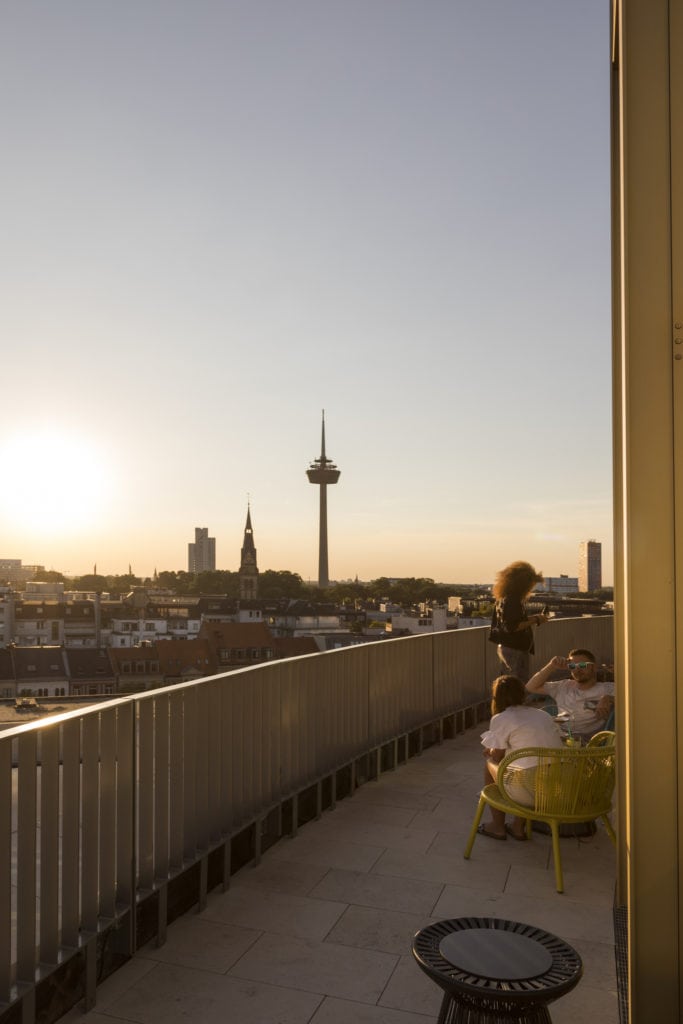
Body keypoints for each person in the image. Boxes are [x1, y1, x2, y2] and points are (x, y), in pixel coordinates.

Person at [477, 674, 563, 840]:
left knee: (490, 765)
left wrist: (491, 752)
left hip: (528, 791)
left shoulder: (502, 718)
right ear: (523, 694)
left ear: (496, 698)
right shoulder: (542, 715)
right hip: (555, 790)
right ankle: (517, 827)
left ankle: (497, 826)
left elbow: (497, 756)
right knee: (533, 767)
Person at [525, 649, 615, 741]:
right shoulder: (563, 686)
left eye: (582, 665)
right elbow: (530, 687)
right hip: (558, 732)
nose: (577, 669)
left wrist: (608, 698)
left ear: (594, 667)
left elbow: (629, 697)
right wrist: (551, 666)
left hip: (584, 739)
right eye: (572, 666)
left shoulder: (606, 688)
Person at [488, 561, 547, 682]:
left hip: (507, 646)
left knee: (508, 681)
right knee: (517, 682)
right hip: (515, 648)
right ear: (523, 584)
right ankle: (516, 701)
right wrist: (536, 619)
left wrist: (534, 618)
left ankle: (507, 700)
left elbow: (511, 622)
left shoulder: (503, 598)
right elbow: (513, 626)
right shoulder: (513, 600)